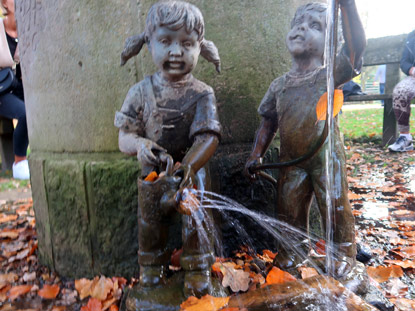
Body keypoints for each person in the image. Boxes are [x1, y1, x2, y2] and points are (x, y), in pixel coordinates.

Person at [245, 1, 366, 277]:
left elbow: (356, 49)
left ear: (329, 42)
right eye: (298, 24)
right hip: (291, 162)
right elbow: (268, 123)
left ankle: (343, 253)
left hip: (326, 157)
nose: (302, 29)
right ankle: (293, 253)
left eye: (315, 26)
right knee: (288, 208)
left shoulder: (329, 75)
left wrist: (347, 8)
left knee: (334, 203)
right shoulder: (279, 85)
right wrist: (256, 153)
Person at [114, 1, 221, 297]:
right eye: (166, 41)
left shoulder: (202, 94)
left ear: (201, 47)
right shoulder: (140, 92)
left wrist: (189, 165)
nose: (176, 52)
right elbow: (124, 137)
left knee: (197, 211)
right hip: (155, 174)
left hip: (191, 169)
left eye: (187, 44)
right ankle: (152, 268)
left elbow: (208, 137)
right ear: (149, 43)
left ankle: (198, 267)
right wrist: (139, 144)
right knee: (149, 222)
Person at [0, 0, 29, 179]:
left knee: (42, 107)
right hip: (2, 90)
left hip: (20, 86)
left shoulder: (27, 29)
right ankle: (19, 161)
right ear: (5, 4)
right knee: (25, 113)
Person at [388, 31, 415, 152]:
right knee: (400, 91)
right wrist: (411, 69)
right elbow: (404, 61)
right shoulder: (412, 36)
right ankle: (405, 137)